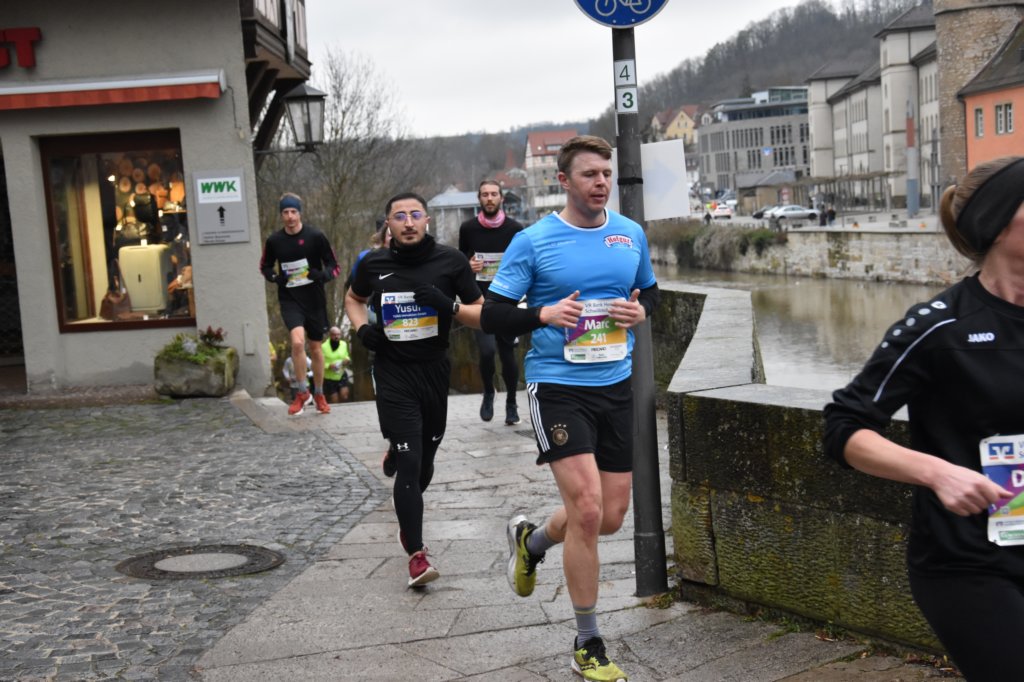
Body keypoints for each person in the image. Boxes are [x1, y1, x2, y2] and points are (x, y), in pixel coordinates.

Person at [823, 156, 1024, 681]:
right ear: (998, 223)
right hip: (969, 565)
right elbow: (844, 427)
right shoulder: (941, 326)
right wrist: (938, 473)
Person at [480, 135, 659, 682]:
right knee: (585, 508)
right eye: (589, 174)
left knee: (609, 517)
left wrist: (640, 313)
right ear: (564, 180)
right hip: (558, 387)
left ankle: (531, 542)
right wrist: (543, 314)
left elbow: (649, 292)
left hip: (615, 385)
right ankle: (588, 642)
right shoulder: (534, 241)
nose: (601, 183)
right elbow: (493, 314)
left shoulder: (629, 235)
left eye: (606, 173)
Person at [345, 191, 484, 588]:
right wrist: (362, 329)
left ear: (427, 220)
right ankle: (417, 554)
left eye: (415, 215)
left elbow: (481, 313)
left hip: (434, 371)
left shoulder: (451, 261)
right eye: (399, 216)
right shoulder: (373, 264)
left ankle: (406, 492)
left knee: (424, 464)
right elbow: (353, 299)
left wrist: (447, 305)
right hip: (393, 373)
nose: (408, 222)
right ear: (388, 224)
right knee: (410, 462)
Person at [260, 193, 340, 416]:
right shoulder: (274, 241)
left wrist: (321, 275)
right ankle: (302, 392)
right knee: (297, 343)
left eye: (293, 212)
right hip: (290, 299)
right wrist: (276, 278)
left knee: (315, 348)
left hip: (314, 299)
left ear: (300, 213)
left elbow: (334, 266)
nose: (290, 216)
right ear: (281, 215)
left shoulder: (316, 236)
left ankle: (319, 393)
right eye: (285, 212)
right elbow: (265, 266)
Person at [458, 180, 525, 425]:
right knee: (487, 352)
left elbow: (524, 264)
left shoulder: (515, 228)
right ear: (479, 199)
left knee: (507, 354)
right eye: (485, 194)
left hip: (507, 299)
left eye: (494, 194)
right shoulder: (468, 228)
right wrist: (468, 265)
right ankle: (488, 392)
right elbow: (460, 261)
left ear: (501, 198)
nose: (489, 198)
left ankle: (511, 403)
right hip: (479, 300)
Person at [322, 325, 351, 403]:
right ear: (330, 335)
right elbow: (319, 363)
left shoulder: (343, 344)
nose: (336, 337)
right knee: (334, 400)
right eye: (334, 335)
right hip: (329, 378)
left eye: (338, 335)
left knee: (344, 396)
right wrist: (328, 366)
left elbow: (346, 355)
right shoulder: (323, 346)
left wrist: (347, 360)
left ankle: (343, 409)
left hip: (341, 374)